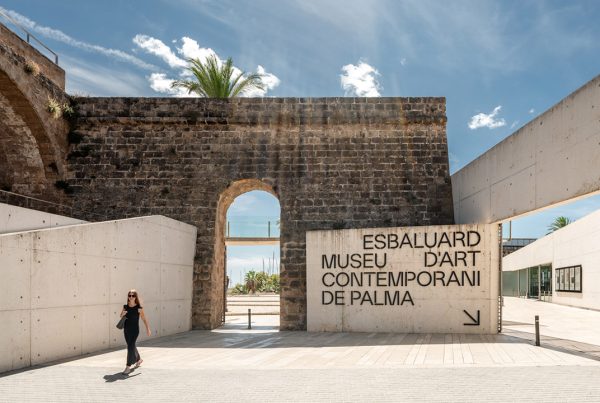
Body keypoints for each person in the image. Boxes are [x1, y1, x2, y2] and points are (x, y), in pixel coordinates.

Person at [120, 289, 151, 375]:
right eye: (129, 295)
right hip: (126, 330)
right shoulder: (125, 306)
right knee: (131, 346)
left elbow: (144, 319)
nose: (131, 297)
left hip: (134, 331)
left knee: (130, 346)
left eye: (133, 296)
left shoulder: (139, 308)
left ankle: (128, 367)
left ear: (135, 297)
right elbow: (121, 315)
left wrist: (148, 329)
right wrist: (123, 313)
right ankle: (139, 359)